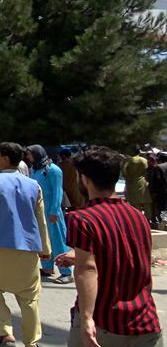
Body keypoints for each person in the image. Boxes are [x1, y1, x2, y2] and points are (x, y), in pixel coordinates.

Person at [53, 146, 163, 347]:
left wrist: (87, 319)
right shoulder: (137, 216)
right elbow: (127, 256)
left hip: (104, 323)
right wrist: (79, 255)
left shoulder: (82, 219)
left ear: (84, 179)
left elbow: (87, 269)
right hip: (145, 322)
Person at [0, 142, 51, 347]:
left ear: (6, 159)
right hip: (28, 249)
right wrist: (45, 248)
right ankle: (32, 342)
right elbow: (40, 219)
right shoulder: (33, 185)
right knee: (29, 297)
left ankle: (5, 333)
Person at [25, 144, 72, 284]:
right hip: (38, 211)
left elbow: (58, 192)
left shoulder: (53, 170)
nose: (28, 156)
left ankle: (66, 272)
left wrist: (54, 211)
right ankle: (47, 267)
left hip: (52, 211)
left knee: (58, 240)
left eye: (29, 153)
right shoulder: (34, 169)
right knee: (43, 240)